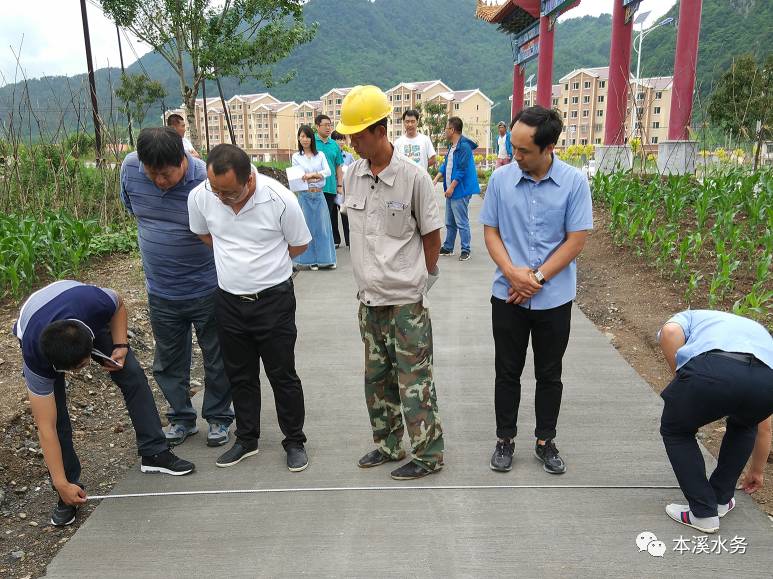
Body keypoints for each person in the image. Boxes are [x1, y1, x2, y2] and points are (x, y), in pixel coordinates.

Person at [13, 281, 195, 526]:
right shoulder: (36, 358)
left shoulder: (94, 303)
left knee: (131, 373)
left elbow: (118, 302)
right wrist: (59, 482)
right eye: (72, 370)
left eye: (83, 365)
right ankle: (68, 492)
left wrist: (120, 345)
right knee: (58, 420)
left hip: (76, 316)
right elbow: (46, 429)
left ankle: (155, 452)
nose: (79, 373)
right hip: (41, 330)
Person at [336, 85, 445, 481]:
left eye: (358, 135)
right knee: (377, 379)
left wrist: (419, 280)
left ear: (379, 130)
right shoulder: (353, 174)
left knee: (414, 380)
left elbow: (432, 238)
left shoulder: (414, 179)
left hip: (405, 303)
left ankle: (428, 454)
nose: (351, 142)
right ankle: (387, 444)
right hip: (369, 301)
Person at [480, 105, 592, 476]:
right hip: (507, 294)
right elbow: (491, 231)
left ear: (548, 148)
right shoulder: (500, 180)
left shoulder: (574, 183)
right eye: (513, 147)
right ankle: (505, 440)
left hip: (554, 298)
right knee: (506, 372)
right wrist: (513, 273)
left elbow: (576, 240)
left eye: (524, 150)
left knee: (549, 373)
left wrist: (537, 280)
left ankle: (546, 441)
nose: (516, 156)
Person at [187, 144, 312, 472]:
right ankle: (247, 438)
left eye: (227, 192)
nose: (219, 197)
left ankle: (294, 440)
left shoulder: (280, 199)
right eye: (215, 189)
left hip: (273, 301)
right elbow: (203, 234)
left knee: (282, 373)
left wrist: (263, 267)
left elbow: (299, 244)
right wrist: (237, 260)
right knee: (239, 374)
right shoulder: (202, 196)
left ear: (249, 180)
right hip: (228, 301)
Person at [121, 127, 234, 448]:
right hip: (161, 290)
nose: (158, 181)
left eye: (166, 174)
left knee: (216, 355)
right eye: (151, 173)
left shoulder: (206, 180)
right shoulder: (130, 168)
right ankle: (181, 417)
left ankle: (219, 417)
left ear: (183, 161)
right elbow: (132, 208)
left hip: (208, 286)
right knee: (169, 359)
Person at [658, 310, 773, 534]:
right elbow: (764, 425)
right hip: (766, 381)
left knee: (676, 430)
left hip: (713, 370)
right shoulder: (756, 331)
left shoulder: (686, 318)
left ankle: (703, 513)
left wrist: (684, 383)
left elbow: (670, 332)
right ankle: (721, 499)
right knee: (745, 423)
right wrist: (757, 470)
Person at [433, 116, 480, 261]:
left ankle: (466, 249)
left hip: (459, 190)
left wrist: (452, 187)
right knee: (450, 221)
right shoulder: (452, 147)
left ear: (452, 130)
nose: (445, 131)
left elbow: (462, 170)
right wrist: (435, 179)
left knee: (461, 222)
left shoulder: (463, 147)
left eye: (446, 128)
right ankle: (448, 247)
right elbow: (445, 165)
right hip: (451, 190)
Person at [291, 125, 336, 270]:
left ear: (312, 138)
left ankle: (327, 259)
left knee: (323, 227)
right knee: (308, 228)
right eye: (302, 136)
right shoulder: (296, 157)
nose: (305, 139)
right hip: (304, 196)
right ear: (298, 138)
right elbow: (297, 177)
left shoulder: (320, 155)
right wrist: (317, 175)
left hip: (318, 194)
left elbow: (328, 171)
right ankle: (311, 261)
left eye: (307, 136)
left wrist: (311, 176)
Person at [315, 114, 346, 247]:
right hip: (315, 187)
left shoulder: (334, 145)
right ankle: (317, 244)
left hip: (331, 187)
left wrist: (339, 185)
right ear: (317, 126)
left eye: (330, 125)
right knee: (317, 217)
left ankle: (329, 243)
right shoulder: (311, 142)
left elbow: (339, 166)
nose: (328, 128)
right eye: (325, 125)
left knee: (329, 217)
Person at [332, 130, 352, 247]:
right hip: (331, 189)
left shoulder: (348, 156)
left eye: (343, 139)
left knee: (345, 215)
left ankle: (349, 240)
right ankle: (336, 240)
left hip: (344, 190)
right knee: (332, 216)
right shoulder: (329, 155)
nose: (341, 142)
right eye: (338, 139)